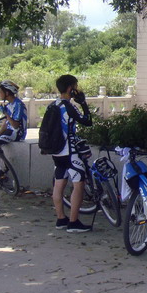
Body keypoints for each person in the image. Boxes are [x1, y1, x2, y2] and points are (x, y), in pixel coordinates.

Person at [51, 75, 93, 233]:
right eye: (75, 86)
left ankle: (61, 219)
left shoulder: (53, 105)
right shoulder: (69, 106)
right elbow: (87, 121)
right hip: (70, 151)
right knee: (79, 184)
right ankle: (73, 222)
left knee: (59, 183)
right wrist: (83, 103)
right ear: (70, 88)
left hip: (56, 152)